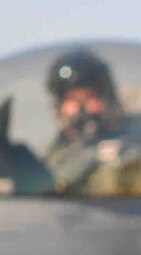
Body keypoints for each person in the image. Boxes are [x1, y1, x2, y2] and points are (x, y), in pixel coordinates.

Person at [44, 49, 126, 194]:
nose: (81, 108)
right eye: (72, 99)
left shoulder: (134, 146)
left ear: (106, 100)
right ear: (59, 106)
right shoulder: (50, 159)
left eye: (89, 97)